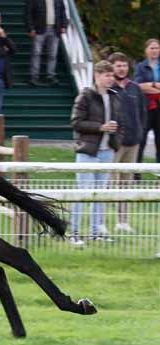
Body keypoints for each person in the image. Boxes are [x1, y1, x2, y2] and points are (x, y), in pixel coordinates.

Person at [68, 60, 125, 246]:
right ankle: (74, 234)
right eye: (107, 75)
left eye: (112, 76)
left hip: (107, 152)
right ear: (97, 76)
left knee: (100, 194)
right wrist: (100, 127)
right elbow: (76, 122)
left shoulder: (115, 96)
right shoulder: (85, 96)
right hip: (88, 152)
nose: (111, 79)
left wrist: (115, 143)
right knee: (83, 193)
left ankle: (96, 232)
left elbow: (121, 123)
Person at [108, 52, 147, 233]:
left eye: (124, 65)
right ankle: (100, 222)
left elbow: (143, 113)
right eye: (118, 65)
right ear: (112, 67)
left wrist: (140, 133)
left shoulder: (135, 88)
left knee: (126, 183)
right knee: (108, 184)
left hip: (133, 142)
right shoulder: (109, 88)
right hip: (115, 143)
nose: (122, 68)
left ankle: (123, 221)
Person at [25, 0, 67, 86]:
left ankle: (51, 76)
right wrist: (30, 28)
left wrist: (64, 25)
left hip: (55, 29)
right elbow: (28, 13)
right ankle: (34, 77)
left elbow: (63, 12)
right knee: (36, 53)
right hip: (39, 29)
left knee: (53, 54)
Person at [133, 38, 160, 164]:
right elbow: (139, 86)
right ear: (146, 50)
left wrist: (149, 86)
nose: (155, 50)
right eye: (152, 48)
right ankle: (136, 174)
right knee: (141, 141)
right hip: (146, 108)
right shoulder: (140, 67)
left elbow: (145, 86)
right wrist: (156, 84)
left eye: (157, 48)